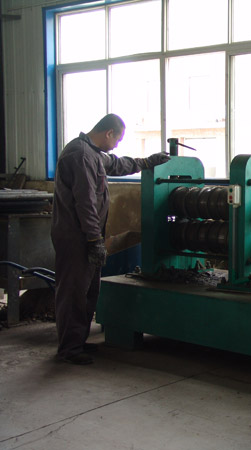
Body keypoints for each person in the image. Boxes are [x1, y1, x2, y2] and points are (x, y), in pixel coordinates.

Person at [51, 113, 170, 365]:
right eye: (117, 139)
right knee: (73, 293)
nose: (116, 145)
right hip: (76, 238)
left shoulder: (93, 153)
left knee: (88, 291)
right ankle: (69, 349)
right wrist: (94, 239)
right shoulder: (80, 155)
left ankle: (77, 341)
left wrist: (147, 162)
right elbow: (85, 202)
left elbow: (117, 165)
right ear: (108, 133)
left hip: (86, 236)